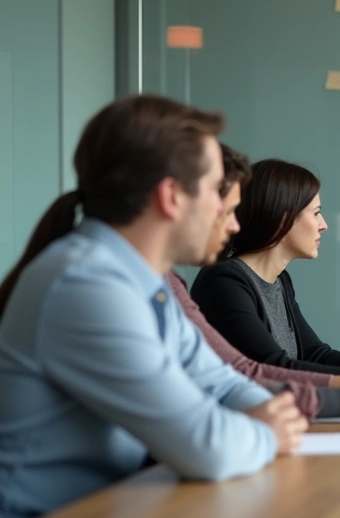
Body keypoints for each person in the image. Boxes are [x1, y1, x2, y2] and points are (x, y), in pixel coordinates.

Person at [0, 96, 306, 518]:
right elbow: (206, 445)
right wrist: (268, 433)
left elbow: (222, 384)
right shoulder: (86, 287)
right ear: (171, 196)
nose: (230, 219)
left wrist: (266, 415)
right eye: (216, 192)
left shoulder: (144, 285)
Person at [170, 144, 340, 420]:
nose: (324, 225)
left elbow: (314, 353)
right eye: (316, 213)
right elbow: (272, 366)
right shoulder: (223, 282)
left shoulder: (279, 280)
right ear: (282, 218)